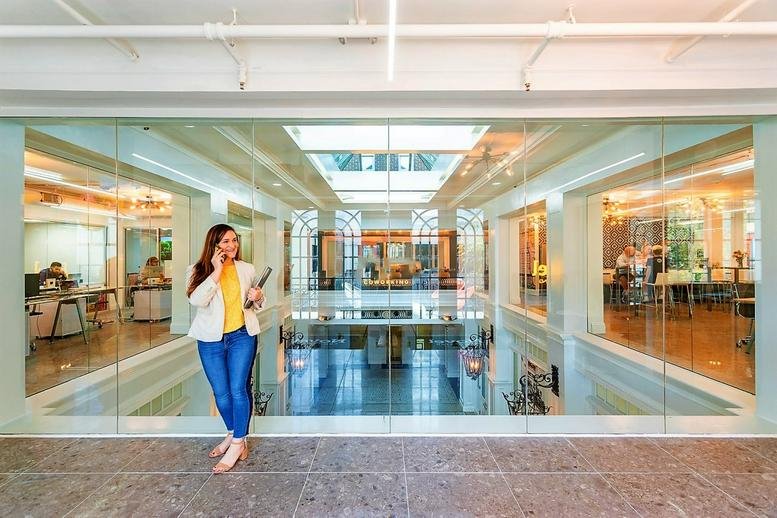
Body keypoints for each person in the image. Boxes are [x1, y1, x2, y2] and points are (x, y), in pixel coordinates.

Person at [186, 224, 265, 474]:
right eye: (226, 242)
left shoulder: (246, 269)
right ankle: (233, 434)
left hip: (242, 335)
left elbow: (256, 304)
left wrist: (258, 296)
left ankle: (238, 442)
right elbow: (196, 300)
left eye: (234, 240)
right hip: (211, 339)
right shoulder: (197, 270)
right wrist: (217, 270)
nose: (232, 246)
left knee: (238, 390)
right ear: (214, 245)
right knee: (220, 393)